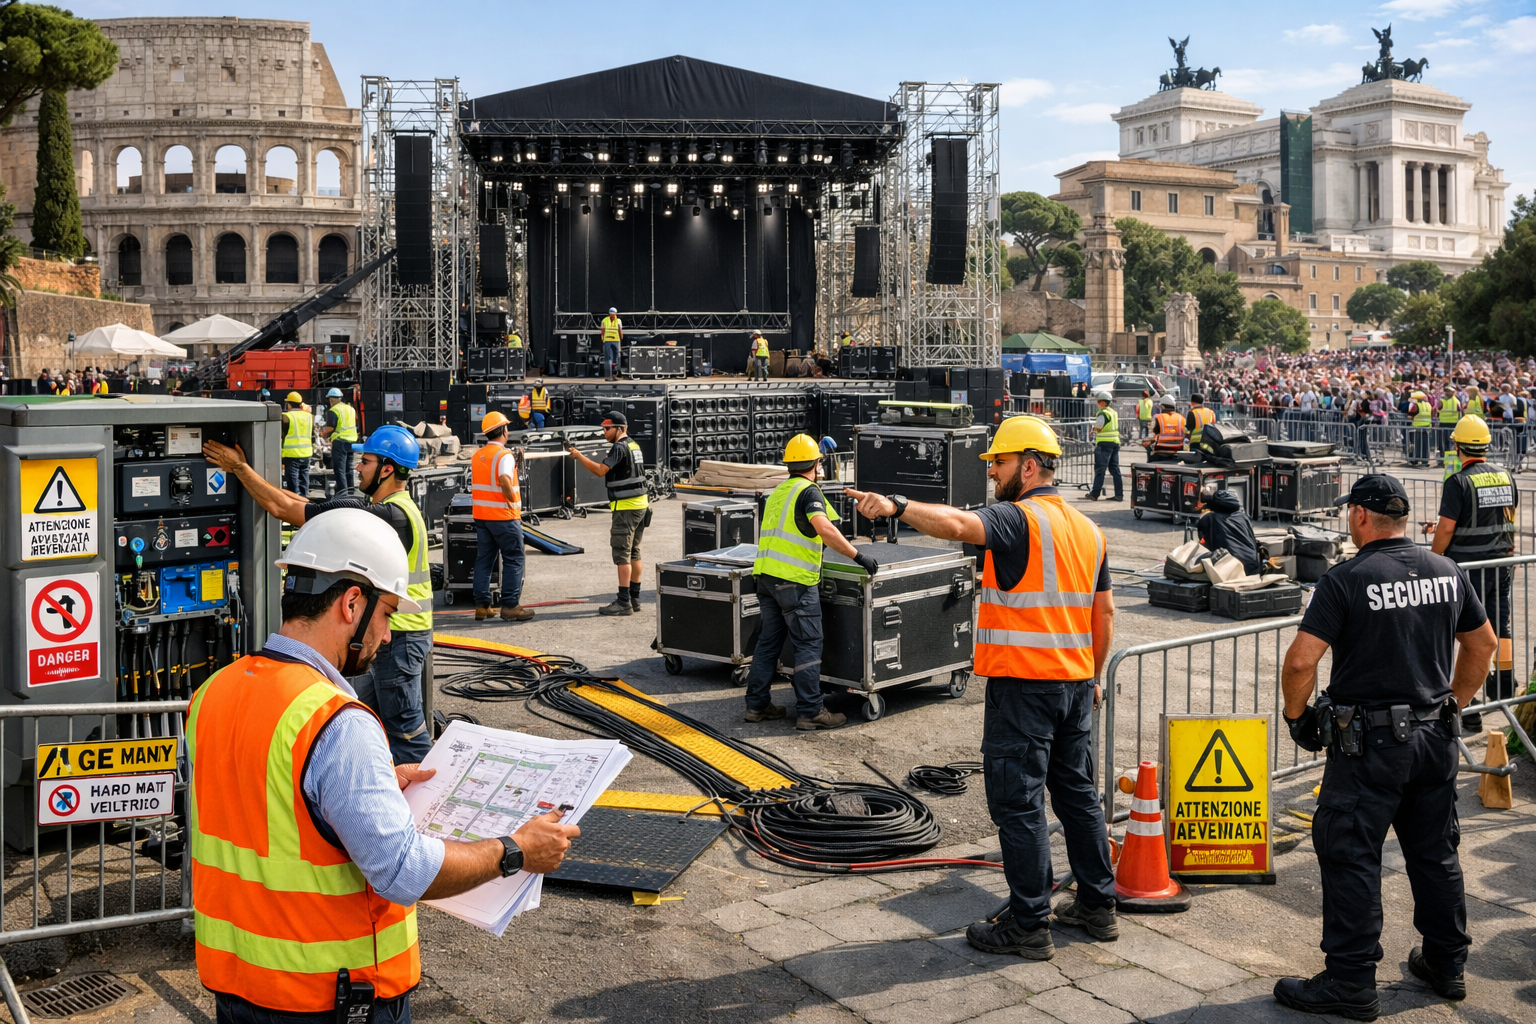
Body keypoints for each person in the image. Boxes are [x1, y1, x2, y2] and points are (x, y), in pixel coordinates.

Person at [188, 509, 579, 1024]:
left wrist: (348, 792)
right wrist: (516, 850)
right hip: (327, 999)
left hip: (239, 987)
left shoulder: (215, 691)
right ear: (351, 602)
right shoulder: (336, 721)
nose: (389, 635)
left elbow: (265, 800)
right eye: (387, 614)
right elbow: (402, 870)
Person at [848, 416, 1119, 961]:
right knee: (1076, 797)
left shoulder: (1019, 518)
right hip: (1073, 687)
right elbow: (1104, 612)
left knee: (1018, 805)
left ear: (1029, 466)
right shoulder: (1089, 530)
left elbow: (956, 524)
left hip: (1025, 688)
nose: (992, 472)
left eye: (998, 462)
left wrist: (897, 506)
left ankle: (1028, 923)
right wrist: (1092, 676)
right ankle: (1097, 905)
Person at [1273, 474, 1495, 1020]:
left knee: (1350, 853)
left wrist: (1297, 718)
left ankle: (1350, 981)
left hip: (1369, 747)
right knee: (1435, 852)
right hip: (1434, 739)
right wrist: (1452, 705)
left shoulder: (1346, 579)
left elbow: (1301, 662)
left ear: (1360, 516)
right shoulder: (1445, 570)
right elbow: (1483, 644)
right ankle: (1446, 963)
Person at [203, 425, 440, 765]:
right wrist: (251, 473)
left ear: (387, 469)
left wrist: (240, 469)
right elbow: (306, 505)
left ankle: (425, 792)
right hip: (391, 632)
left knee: (406, 736)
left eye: (366, 461)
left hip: (395, 634)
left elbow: (283, 508)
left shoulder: (388, 516)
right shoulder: (393, 508)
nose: (357, 467)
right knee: (363, 716)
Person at [744, 434, 877, 730]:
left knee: (768, 643)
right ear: (816, 464)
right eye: (820, 462)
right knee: (808, 644)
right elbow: (824, 529)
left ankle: (756, 705)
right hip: (795, 583)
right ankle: (811, 710)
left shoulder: (779, 492)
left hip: (766, 578)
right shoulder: (809, 491)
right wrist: (858, 556)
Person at [1428, 415, 1517, 720]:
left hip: (1467, 569)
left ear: (1457, 446)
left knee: (1465, 632)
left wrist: (1434, 559)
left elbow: (1447, 529)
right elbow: (1505, 516)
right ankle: (1503, 685)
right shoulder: (1506, 476)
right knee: (1499, 625)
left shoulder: (1458, 482)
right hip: (1501, 564)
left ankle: (1463, 703)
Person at [568, 411, 649, 616]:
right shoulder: (634, 445)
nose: (604, 432)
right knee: (634, 552)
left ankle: (623, 602)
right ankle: (635, 598)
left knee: (622, 554)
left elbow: (600, 470)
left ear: (620, 429)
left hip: (626, 508)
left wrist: (579, 456)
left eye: (607, 428)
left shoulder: (619, 448)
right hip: (640, 505)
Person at [471, 411, 534, 622]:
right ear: (504, 430)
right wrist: (512, 503)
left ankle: (482, 606)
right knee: (514, 558)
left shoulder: (477, 455)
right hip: (504, 517)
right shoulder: (504, 456)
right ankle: (510, 605)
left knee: (484, 560)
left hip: (482, 516)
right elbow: (504, 479)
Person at [1195, 484, 1261, 575]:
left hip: (1231, 566)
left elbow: (1202, 542)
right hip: (1253, 565)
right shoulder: (1243, 517)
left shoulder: (1209, 518)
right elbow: (1252, 540)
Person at [1083, 389, 1122, 502]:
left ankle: (1094, 494)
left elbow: (1099, 427)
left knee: (1100, 470)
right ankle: (1119, 495)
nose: (1097, 403)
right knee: (1115, 470)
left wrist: (1093, 429)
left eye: (1098, 401)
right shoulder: (1113, 412)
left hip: (1104, 444)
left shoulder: (1103, 413)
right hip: (1115, 442)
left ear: (1103, 402)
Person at [319, 387, 359, 493]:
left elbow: (331, 427)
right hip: (351, 441)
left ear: (332, 399)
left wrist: (323, 433)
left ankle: (342, 493)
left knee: (339, 469)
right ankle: (351, 491)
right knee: (349, 468)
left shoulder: (334, 410)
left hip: (340, 441)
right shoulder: (350, 409)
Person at [281, 391, 314, 496]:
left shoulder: (286, 416)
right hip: (306, 453)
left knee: (293, 482)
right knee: (304, 478)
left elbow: (281, 435)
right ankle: (305, 500)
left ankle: (295, 500)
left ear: (289, 404)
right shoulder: (308, 416)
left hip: (292, 454)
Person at [1409, 389, 1432, 466]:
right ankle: (1425, 460)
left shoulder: (1416, 405)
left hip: (1418, 427)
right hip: (1427, 427)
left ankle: (1416, 459)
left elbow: (1411, 415)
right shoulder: (1428, 405)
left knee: (1417, 444)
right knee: (1425, 444)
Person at [601, 306, 623, 380]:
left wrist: (620, 339)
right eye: (612, 314)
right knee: (609, 358)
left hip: (614, 340)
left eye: (613, 314)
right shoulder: (605, 320)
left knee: (615, 357)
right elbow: (603, 331)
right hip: (609, 340)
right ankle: (609, 375)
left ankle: (613, 374)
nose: (613, 315)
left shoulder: (618, 321)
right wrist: (603, 338)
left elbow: (620, 331)